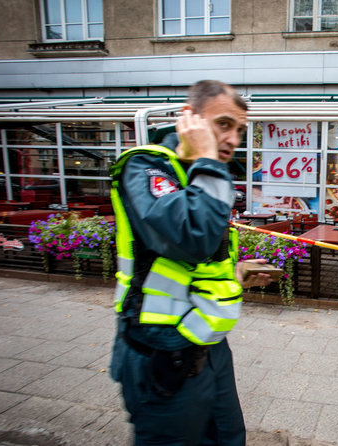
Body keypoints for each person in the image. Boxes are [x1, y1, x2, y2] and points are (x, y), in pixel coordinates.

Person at [109, 80, 273, 445]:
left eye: (240, 130)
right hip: (162, 354)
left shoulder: (198, 174)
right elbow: (191, 236)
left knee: (229, 439)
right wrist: (209, 159)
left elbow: (190, 261)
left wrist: (235, 272)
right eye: (224, 124)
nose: (233, 138)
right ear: (190, 120)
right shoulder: (146, 166)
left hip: (208, 348)